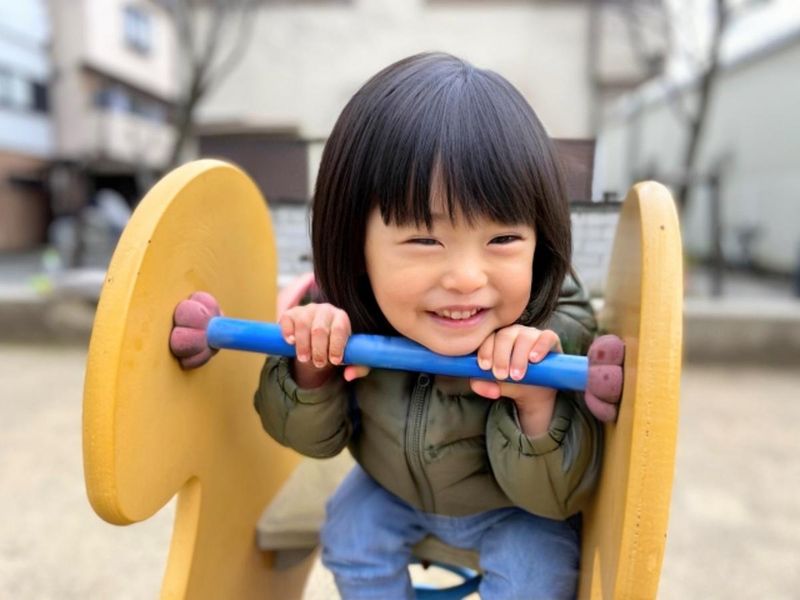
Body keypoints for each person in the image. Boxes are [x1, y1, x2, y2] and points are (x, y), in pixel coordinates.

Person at [170, 52, 623, 599]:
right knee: (348, 532)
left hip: (514, 507)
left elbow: (557, 496)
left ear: (541, 241)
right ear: (357, 244)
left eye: (503, 240)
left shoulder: (558, 338)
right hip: (390, 487)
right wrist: (310, 374)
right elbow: (306, 443)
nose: (464, 278)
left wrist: (535, 404)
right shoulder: (342, 313)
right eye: (424, 240)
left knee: (536, 572)